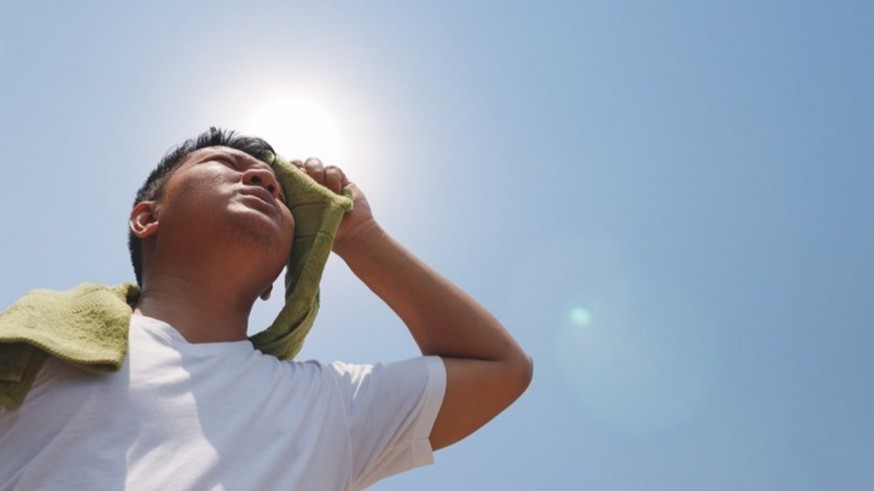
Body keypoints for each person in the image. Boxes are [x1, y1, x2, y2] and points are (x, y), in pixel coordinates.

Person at [0, 128, 532, 490]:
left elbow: (499, 368)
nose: (261, 180)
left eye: (278, 191)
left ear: (274, 284)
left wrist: (361, 236)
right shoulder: (35, 345)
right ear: (146, 218)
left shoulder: (329, 407)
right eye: (227, 165)